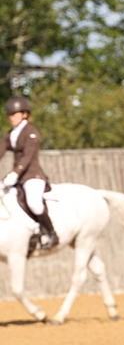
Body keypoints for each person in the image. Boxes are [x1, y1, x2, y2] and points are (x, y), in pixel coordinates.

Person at [2, 95, 58, 251]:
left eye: (14, 114)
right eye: (10, 115)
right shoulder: (11, 134)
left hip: (33, 175)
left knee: (34, 202)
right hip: (18, 177)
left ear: (24, 114)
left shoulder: (31, 132)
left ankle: (51, 233)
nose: (11, 117)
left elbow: (28, 156)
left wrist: (14, 173)